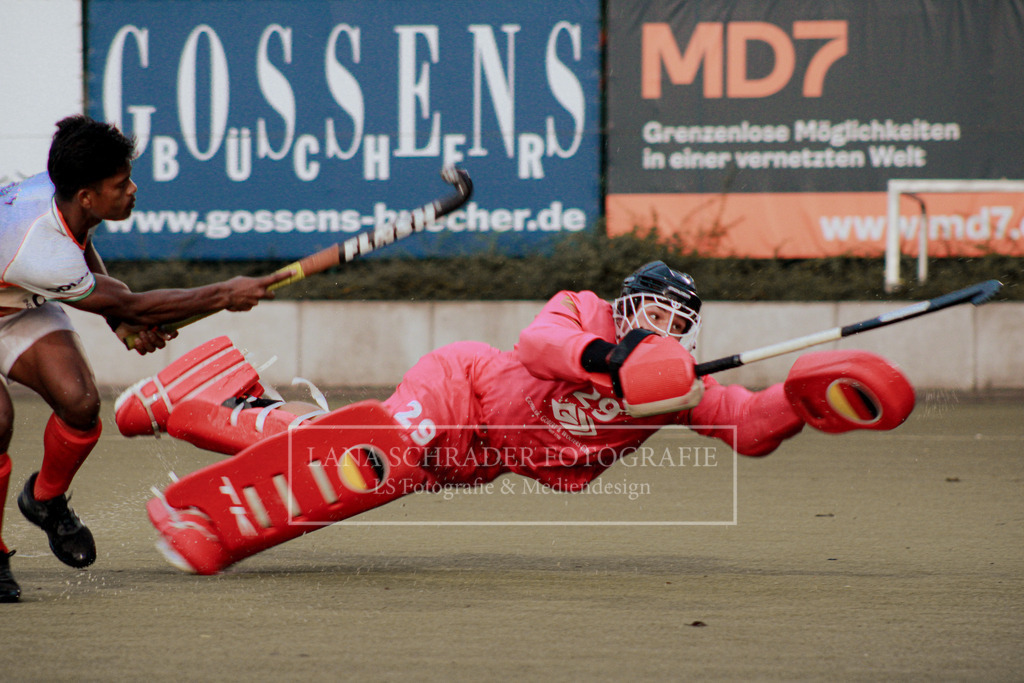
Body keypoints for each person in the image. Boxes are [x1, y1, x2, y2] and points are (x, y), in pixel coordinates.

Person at [113, 261, 915, 575]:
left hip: (479, 458)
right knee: (374, 459)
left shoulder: (674, 388)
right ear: (627, 307)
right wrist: (611, 361)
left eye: (679, 324)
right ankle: (203, 526)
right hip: (461, 388)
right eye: (655, 315)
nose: (666, 332)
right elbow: (540, 343)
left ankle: (203, 396)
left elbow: (748, 423)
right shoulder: (587, 312)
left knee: (330, 456)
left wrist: (801, 401)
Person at [0, 115, 290, 602]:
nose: (133, 189)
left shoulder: (62, 193)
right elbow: (130, 303)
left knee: (79, 403)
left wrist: (119, 321)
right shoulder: (39, 249)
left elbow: (80, 246)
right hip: (17, 283)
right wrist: (224, 293)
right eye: (121, 184)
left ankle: (45, 500)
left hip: (14, 302)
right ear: (87, 195)